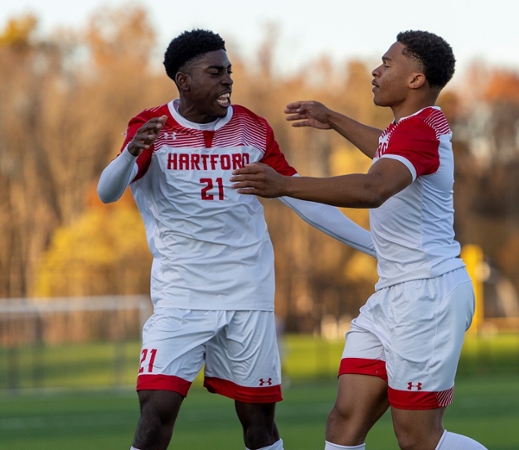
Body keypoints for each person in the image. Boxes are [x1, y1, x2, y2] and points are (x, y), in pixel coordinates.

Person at [97, 29, 375, 450]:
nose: (228, 80)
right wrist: (130, 153)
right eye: (216, 72)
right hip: (181, 294)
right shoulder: (151, 127)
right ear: (184, 80)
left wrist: (373, 245)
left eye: (229, 71)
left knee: (259, 424)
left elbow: (298, 195)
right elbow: (107, 192)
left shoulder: (252, 128)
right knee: (156, 410)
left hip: (248, 292)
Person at [232, 30, 488, 450]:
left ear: (415, 80)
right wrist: (332, 119)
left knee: (418, 439)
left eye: (388, 63)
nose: (376, 69)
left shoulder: (419, 132)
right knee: (344, 422)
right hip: (391, 294)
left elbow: (373, 189)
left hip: (429, 297)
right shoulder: (407, 129)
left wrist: (285, 186)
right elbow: (384, 147)